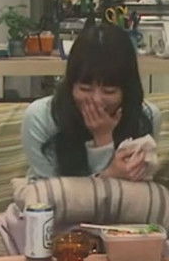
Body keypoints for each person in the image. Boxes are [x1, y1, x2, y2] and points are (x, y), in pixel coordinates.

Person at [21, 23, 160, 180]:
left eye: (109, 91)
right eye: (85, 89)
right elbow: (48, 190)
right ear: (70, 85)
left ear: (127, 90)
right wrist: (108, 171)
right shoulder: (40, 118)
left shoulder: (146, 117)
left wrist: (103, 139)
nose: (96, 100)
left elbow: (138, 187)